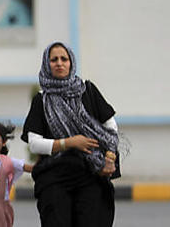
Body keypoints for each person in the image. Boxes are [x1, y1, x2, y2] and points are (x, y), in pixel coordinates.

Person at [21, 41, 120, 227]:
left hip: (91, 172)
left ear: (71, 62)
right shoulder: (41, 100)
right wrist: (70, 143)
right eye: (54, 59)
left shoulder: (88, 90)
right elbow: (34, 143)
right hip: (56, 175)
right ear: (46, 64)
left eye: (64, 59)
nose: (59, 63)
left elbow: (111, 127)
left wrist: (110, 156)